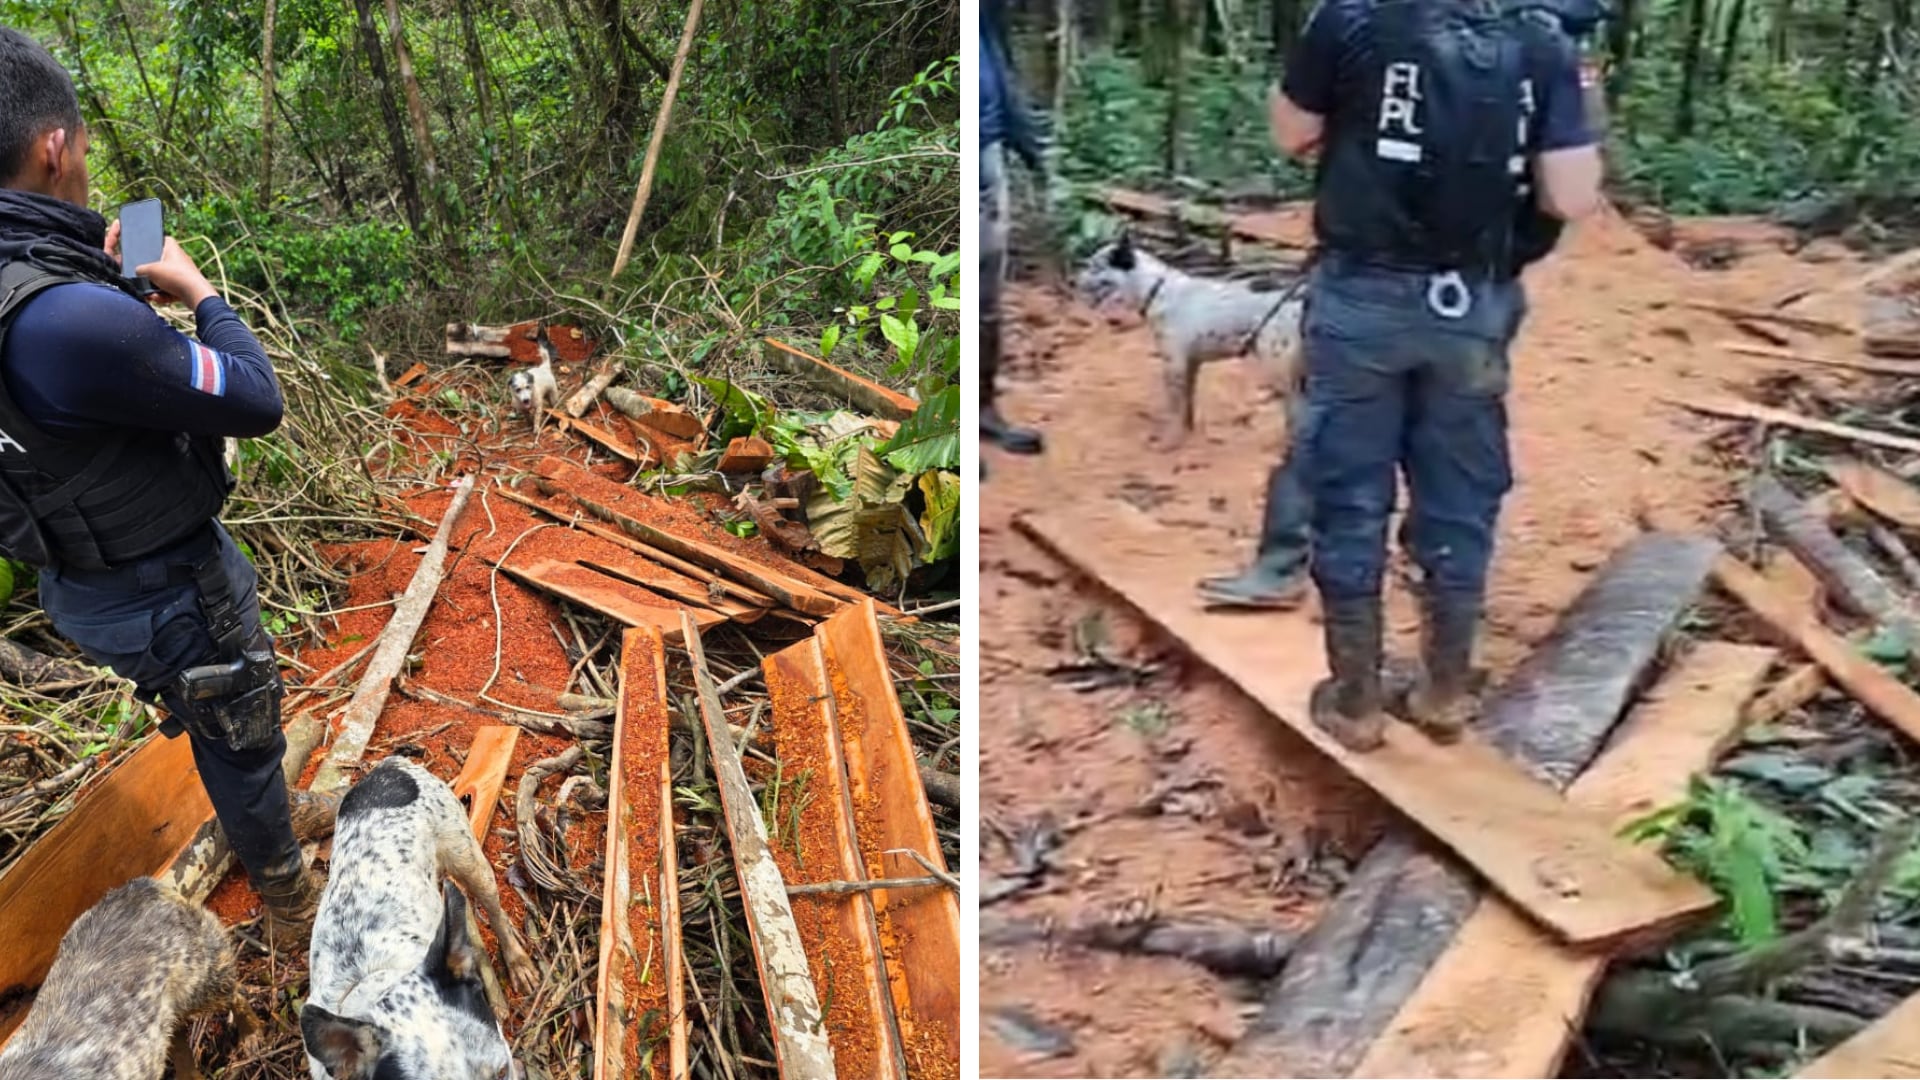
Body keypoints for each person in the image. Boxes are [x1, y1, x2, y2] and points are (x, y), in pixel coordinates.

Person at [0, 27, 333, 950]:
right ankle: (289, 899)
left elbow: (59, 387)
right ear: (54, 145)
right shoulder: (71, 323)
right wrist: (192, 291)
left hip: (70, 581)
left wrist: (112, 304)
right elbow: (255, 399)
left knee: (202, 705)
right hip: (165, 591)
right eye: (83, 148)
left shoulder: (50, 301)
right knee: (240, 732)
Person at [1267, 0, 1603, 750]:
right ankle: (1445, 689)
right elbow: (1570, 196)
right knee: (1460, 491)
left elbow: (1293, 132)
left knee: (1348, 492)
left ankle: (1355, 701)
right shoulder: (1541, 38)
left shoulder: (1348, 17)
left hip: (1360, 299)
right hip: (1473, 305)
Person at [980, 0, 1046, 457]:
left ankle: (982, 413)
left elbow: (999, 65)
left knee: (985, 298)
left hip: (989, 155)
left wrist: (1032, 148)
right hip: (979, 152)